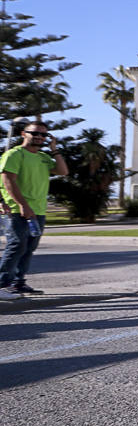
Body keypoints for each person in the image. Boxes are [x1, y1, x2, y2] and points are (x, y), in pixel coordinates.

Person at [1, 122, 68, 299]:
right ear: (24, 134)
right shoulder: (14, 154)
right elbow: (8, 181)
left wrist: (54, 149)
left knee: (29, 247)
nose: (39, 137)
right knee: (17, 244)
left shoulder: (43, 157)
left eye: (43, 135)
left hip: (38, 210)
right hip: (17, 208)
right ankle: (2, 283)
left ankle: (18, 283)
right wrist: (23, 205)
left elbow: (62, 171)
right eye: (35, 133)